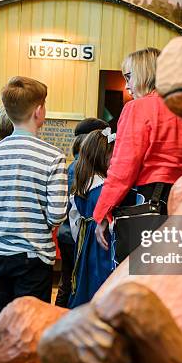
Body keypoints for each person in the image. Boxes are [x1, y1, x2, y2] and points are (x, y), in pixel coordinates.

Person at [0, 76, 68, 324]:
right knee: (30, 323)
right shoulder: (53, 157)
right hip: (34, 258)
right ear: (38, 111)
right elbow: (57, 214)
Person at [94, 47, 182, 250]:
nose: (127, 86)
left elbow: (123, 166)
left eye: (129, 77)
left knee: (141, 276)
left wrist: (103, 211)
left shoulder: (138, 108)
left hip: (150, 202)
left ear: (145, 73)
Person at [55, 117, 108, 308]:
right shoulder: (97, 184)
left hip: (74, 232)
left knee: (70, 281)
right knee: (73, 281)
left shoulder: (78, 170)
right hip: (79, 236)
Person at [68, 128, 116, 308]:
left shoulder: (83, 186)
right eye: (113, 154)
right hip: (102, 246)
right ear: (102, 157)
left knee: (85, 286)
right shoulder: (104, 190)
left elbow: (74, 223)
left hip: (85, 245)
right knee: (100, 287)